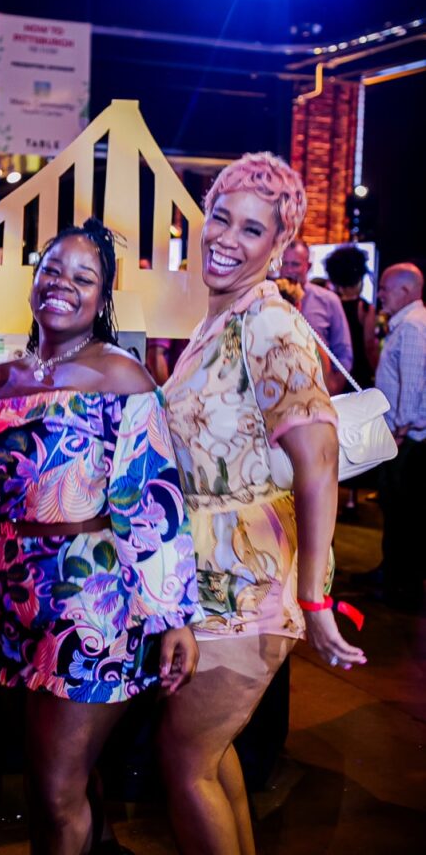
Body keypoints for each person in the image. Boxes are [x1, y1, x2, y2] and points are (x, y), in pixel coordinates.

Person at [159, 153, 366, 855]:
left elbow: (318, 461)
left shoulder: (271, 324)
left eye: (251, 228)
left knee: (184, 764)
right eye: (219, 216)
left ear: (277, 245)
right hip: (212, 581)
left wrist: (314, 602)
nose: (226, 236)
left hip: (246, 586)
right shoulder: (219, 323)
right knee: (210, 760)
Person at [0, 218, 200, 855]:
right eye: (52, 270)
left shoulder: (122, 376)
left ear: (102, 299)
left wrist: (172, 619)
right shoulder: (2, 381)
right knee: (54, 780)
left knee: (54, 791)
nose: (63, 285)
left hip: (92, 601)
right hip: (17, 598)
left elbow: (151, 500)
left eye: (83, 277)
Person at [374, 262, 426, 610]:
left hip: (407, 438)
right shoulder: (409, 323)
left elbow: (413, 383)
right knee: (397, 511)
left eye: (385, 288)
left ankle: (401, 585)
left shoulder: (411, 326)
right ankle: (392, 573)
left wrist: (399, 430)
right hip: (403, 436)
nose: (379, 294)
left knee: (405, 513)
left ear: (406, 291)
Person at [280, 238, 353, 393]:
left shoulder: (328, 300)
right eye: (284, 264)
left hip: (317, 388)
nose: (288, 270)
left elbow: (344, 353)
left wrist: (334, 386)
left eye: (295, 264)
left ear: (308, 266)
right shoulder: (268, 294)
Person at [324, 244, 379, 388]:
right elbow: (369, 345)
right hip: (358, 374)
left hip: (334, 372)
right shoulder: (365, 308)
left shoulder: (329, 304)